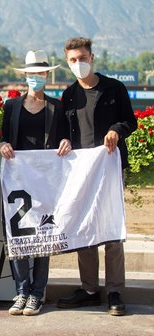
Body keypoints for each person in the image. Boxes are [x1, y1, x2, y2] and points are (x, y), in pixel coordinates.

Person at [56, 37, 137, 316]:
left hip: (110, 169)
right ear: (68, 63)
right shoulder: (68, 95)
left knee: (112, 230)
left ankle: (114, 290)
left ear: (92, 57)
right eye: (73, 60)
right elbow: (61, 134)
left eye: (83, 57)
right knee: (85, 229)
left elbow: (131, 120)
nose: (79, 63)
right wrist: (64, 142)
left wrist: (116, 129)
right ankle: (89, 289)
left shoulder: (115, 88)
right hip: (80, 173)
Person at [0, 50, 71, 316]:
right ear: (25, 77)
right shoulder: (11, 106)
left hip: (46, 180)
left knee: (43, 234)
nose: (36, 78)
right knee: (17, 234)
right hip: (18, 180)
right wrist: (3, 144)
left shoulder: (57, 107)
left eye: (40, 74)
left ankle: (37, 294)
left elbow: (66, 138)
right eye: (31, 75)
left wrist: (66, 142)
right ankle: (21, 292)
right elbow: (5, 138)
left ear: (47, 75)